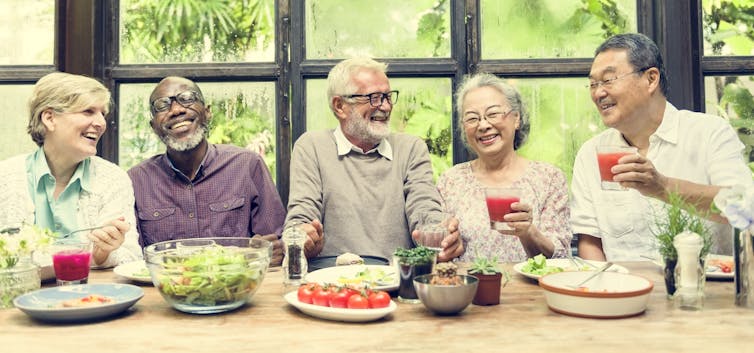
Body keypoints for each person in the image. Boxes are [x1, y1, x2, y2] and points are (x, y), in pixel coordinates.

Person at [571, 33, 751, 261]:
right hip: (623, 291)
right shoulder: (591, 154)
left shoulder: (710, 133)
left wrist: (663, 186)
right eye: (593, 84)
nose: (598, 93)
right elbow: (590, 243)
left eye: (608, 80)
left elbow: (743, 206)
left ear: (651, 79)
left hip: (704, 289)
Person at [284, 57, 463, 262]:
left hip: (396, 280)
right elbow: (301, 216)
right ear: (340, 106)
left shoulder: (411, 148)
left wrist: (438, 233)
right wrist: (302, 236)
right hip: (332, 284)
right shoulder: (311, 147)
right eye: (374, 98)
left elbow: (424, 207)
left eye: (387, 97)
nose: (386, 107)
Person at [127, 76, 286, 265]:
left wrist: (270, 251)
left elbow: (275, 246)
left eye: (187, 98)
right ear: (154, 126)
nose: (176, 110)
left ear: (207, 112)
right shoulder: (136, 180)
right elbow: (132, 259)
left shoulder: (247, 165)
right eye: (162, 105)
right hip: (164, 291)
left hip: (235, 288)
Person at [0, 72, 141, 267]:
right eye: (88, 111)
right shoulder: (5, 177)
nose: (101, 123)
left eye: (103, 113)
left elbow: (132, 256)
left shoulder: (113, 179)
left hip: (90, 295)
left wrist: (103, 254)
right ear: (49, 118)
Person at [438, 73, 572, 263]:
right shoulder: (451, 180)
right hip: (471, 289)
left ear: (516, 119)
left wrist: (528, 232)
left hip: (529, 291)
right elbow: (440, 251)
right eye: (472, 118)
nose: (483, 125)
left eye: (493, 114)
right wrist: (446, 243)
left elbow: (560, 257)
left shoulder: (548, 178)